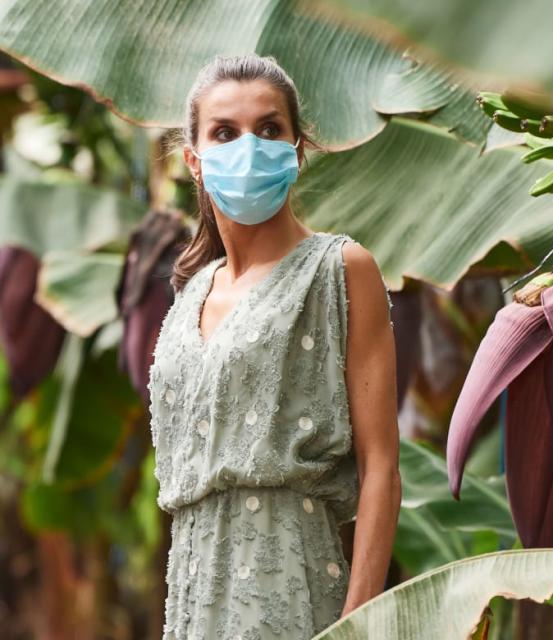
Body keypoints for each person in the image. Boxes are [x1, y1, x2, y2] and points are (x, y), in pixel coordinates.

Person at [147, 53, 401, 639]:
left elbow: (382, 464)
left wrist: (356, 627)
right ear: (195, 160)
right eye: (224, 133)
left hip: (293, 584)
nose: (249, 146)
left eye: (269, 129)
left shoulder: (341, 269)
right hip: (191, 594)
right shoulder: (190, 298)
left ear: (297, 149)